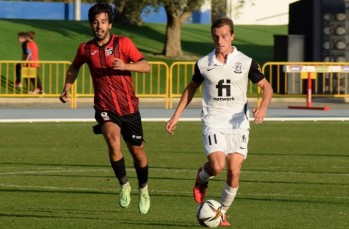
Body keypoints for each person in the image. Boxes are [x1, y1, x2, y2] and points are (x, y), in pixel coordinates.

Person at [166, 17, 273, 226]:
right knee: (217, 166)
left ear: (232, 36)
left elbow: (266, 87)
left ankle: (221, 212)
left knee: (234, 171)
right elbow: (191, 89)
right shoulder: (204, 63)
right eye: (216, 36)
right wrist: (175, 116)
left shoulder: (246, 62)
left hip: (238, 123)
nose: (220, 40)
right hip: (213, 120)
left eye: (224, 36)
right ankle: (202, 177)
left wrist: (263, 107)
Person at [59, 3, 151, 214]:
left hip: (129, 108)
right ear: (91, 24)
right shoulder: (85, 48)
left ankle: (143, 188)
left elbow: (145, 65)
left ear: (109, 24)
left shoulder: (123, 43)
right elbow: (74, 67)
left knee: (138, 153)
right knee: (112, 141)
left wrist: (126, 66)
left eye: (103, 22)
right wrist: (66, 88)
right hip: (105, 107)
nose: (99, 26)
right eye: (95, 22)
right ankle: (124, 185)